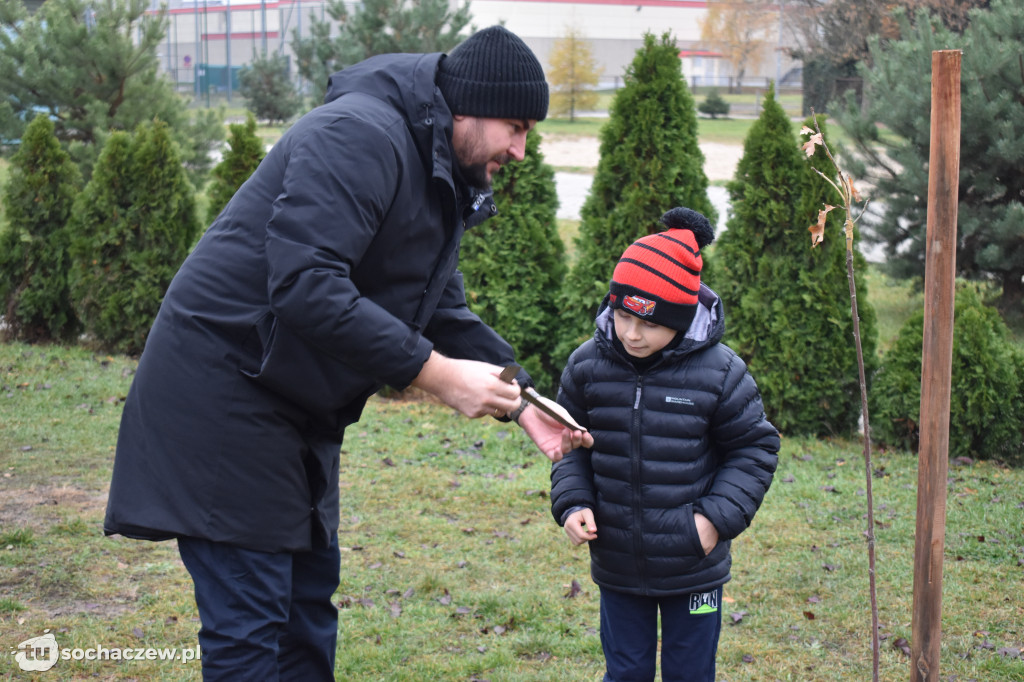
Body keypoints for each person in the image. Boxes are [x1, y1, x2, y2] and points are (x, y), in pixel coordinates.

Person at [103, 26, 591, 680]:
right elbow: (305, 284)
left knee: (305, 617)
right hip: (222, 397)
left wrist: (523, 401)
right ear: (466, 106)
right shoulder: (360, 136)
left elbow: (441, 311)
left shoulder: (435, 167)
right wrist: (437, 377)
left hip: (292, 410)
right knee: (251, 634)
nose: (521, 149)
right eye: (515, 126)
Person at [549, 207, 780, 682]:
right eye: (622, 315)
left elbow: (754, 449)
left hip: (693, 562)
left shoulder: (720, 373)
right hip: (617, 563)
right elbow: (569, 445)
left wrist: (713, 521)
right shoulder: (587, 366)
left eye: (649, 324)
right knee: (626, 672)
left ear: (681, 317)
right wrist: (573, 503)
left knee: (690, 673)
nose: (632, 333)